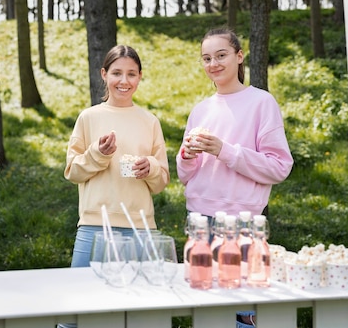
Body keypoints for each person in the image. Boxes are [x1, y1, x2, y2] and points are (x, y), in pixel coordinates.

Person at [176, 28, 293, 328]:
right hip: (200, 221)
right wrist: (186, 157)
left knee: (243, 309)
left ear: (239, 57)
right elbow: (185, 175)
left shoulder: (261, 103)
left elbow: (279, 166)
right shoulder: (200, 110)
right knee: (204, 305)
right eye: (206, 58)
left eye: (221, 55)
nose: (213, 63)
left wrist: (224, 150)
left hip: (244, 222)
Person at [64, 44, 170, 268]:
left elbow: (161, 182)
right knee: (84, 296)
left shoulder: (150, 121)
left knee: (139, 300)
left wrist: (149, 168)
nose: (124, 81)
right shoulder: (88, 117)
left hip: (141, 229)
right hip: (94, 227)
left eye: (131, 74)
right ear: (104, 74)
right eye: (116, 73)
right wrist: (97, 154)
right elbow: (72, 172)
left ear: (140, 77)